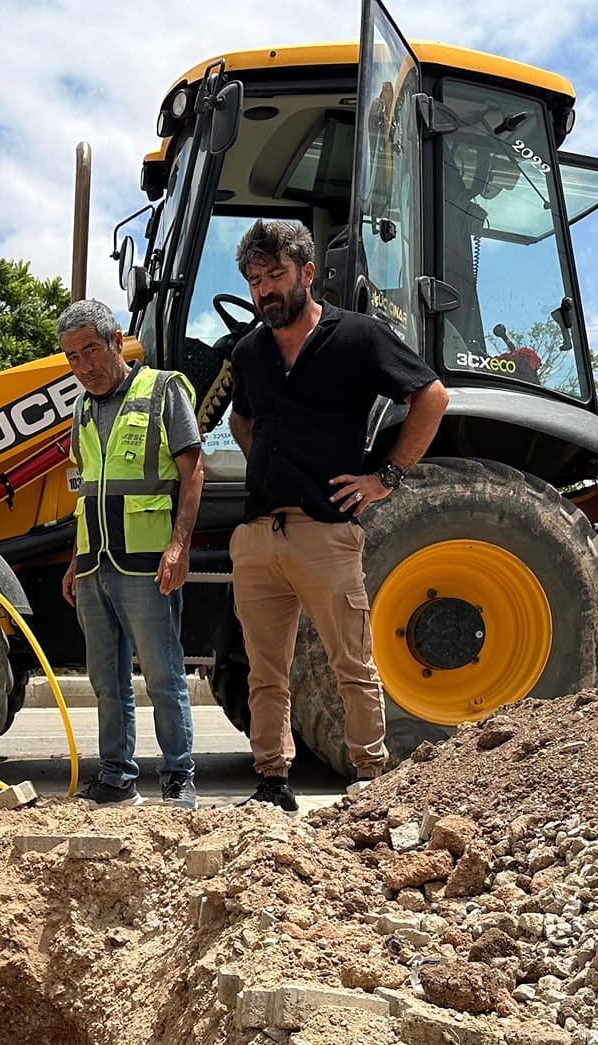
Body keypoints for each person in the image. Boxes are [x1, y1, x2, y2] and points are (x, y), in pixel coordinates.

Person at [226, 219, 449, 812]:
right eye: (254, 279)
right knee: (264, 671)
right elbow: (239, 419)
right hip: (256, 537)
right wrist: (268, 465)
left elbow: (431, 395)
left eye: (275, 275)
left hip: (324, 532)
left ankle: (373, 781)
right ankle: (272, 783)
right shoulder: (250, 351)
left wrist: (388, 477)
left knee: (351, 661)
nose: (264, 289)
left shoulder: (357, 337)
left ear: (306, 273)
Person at [56, 299, 204, 807]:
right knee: (105, 681)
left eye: (90, 351)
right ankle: (116, 775)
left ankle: (178, 777)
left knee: (163, 675)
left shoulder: (163, 390)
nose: (83, 367)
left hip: (147, 563)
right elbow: (87, 489)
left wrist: (179, 545)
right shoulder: (79, 409)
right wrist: (76, 560)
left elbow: (193, 474)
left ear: (117, 342)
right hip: (95, 564)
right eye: (72, 357)